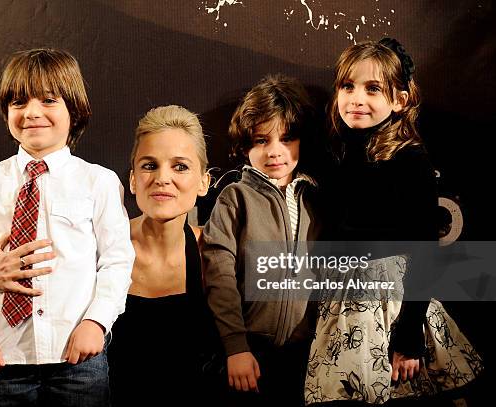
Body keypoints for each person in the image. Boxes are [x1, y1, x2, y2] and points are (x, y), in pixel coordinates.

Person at [0, 48, 135, 407]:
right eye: (18, 102)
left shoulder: (98, 182)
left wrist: (96, 322)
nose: (32, 112)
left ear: (74, 110)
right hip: (5, 358)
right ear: (6, 113)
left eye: (48, 100)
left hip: (78, 360)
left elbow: (117, 262)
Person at [303, 38, 483, 405]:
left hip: (393, 306)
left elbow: (425, 251)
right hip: (345, 300)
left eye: (373, 89)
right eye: (347, 86)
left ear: (399, 100)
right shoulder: (340, 149)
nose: (356, 98)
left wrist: (409, 337)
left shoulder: (410, 160)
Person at [200, 74, 323, 406]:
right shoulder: (235, 198)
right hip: (249, 351)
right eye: (261, 140)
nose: (275, 152)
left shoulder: (316, 199)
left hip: (307, 353)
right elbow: (219, 275)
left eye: (286, 139)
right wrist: (236, 346)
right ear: (244, 146)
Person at [106, 105, 221, 406]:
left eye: (180, 166)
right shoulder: (100, 247)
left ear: (203, 182)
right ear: (132, 179)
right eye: (149, 165)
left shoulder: (215, 255)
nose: (162, 178)